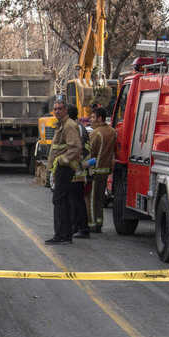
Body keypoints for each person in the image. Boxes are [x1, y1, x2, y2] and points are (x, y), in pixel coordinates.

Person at [44, 98, 81, 245]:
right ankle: (66, 235)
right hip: (61, 168)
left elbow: (75, 148)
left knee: (58, 200)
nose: (57, 111)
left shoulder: (69, 126)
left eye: (60, 109)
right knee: (64, 200)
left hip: (65, 168)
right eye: (55, 109)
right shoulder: (61, 125)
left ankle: (60, 235)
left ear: (65, 110)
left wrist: (62, 160)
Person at [86, 105, 116, 233]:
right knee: (100, 200)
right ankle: (99, 223)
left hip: (95, 171)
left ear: (99, 118)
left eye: (93, 117)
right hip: (105, 171)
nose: (90, 119)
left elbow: (90, 152)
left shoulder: (94, 133)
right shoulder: (112, 132)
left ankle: (92, 225)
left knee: (92, 200)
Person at [67, 104, 92, 239]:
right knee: (74, 201)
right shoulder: (78, 127)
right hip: (76, 170)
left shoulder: (76, 128)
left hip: (76, 171)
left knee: (77, 201)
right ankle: (76, 227)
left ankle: (82, 228)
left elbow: (76, 150)